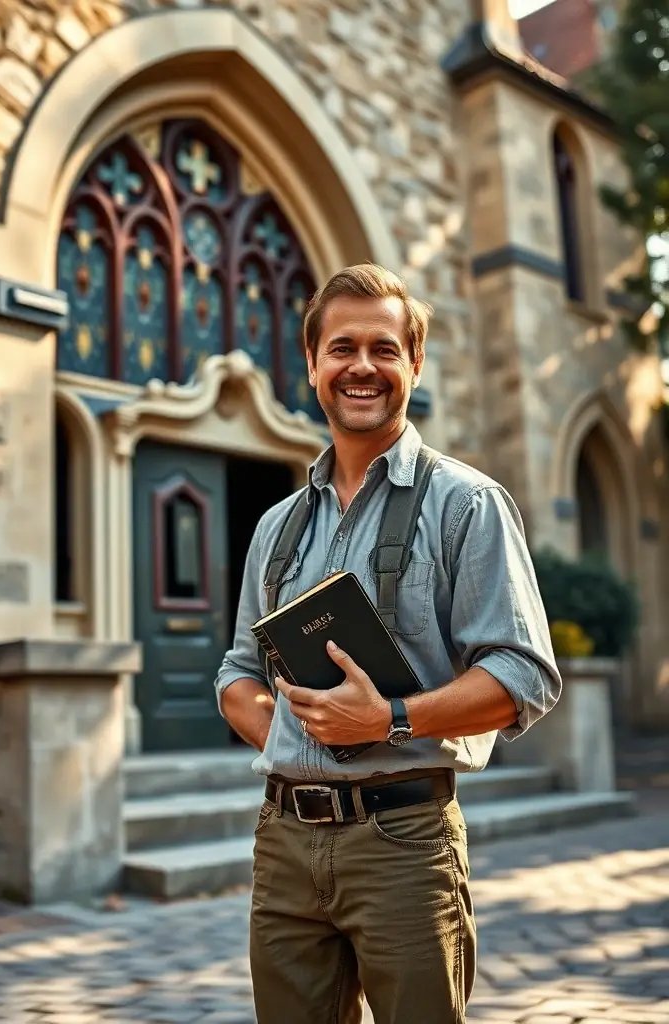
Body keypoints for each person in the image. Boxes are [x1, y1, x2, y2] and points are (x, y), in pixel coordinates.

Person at [214, 263, 561, 1024]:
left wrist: (389, 720)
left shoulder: (467, 502)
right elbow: (238, 670)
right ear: (311, 365)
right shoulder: (276, 526)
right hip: (282, 845)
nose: (361, 366)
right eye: (341, 348)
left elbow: (523, 673)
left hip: (404, 843)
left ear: (414, 364)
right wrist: (287, 726)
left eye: (384, 348)